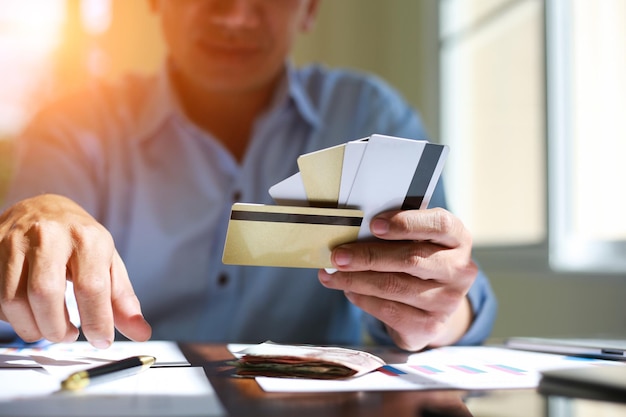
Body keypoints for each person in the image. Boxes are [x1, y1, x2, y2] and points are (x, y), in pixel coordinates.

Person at [0, 0, 496, 352]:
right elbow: (24, 269)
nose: (235, 14)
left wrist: (439, 311)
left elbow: (451, 287)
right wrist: (32, 229)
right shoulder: (75, 124)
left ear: (310, 7)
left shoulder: (371, 114)